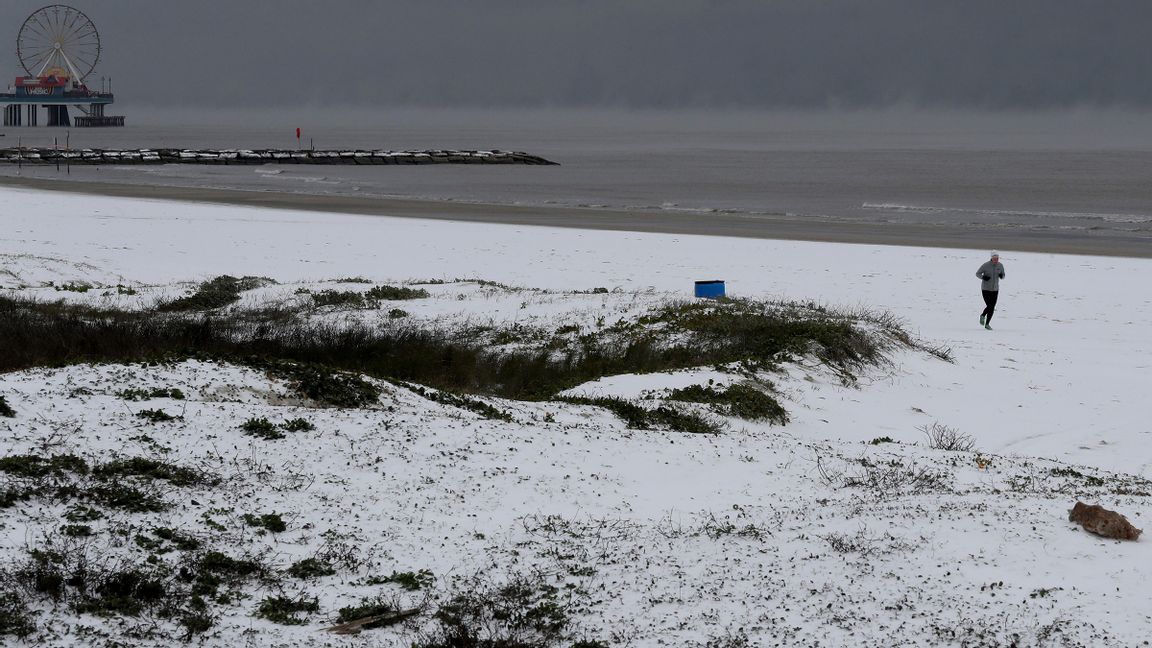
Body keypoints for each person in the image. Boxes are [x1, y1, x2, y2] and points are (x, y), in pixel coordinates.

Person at [976, 251, 1006, 330]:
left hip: (995, 289)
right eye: (995, 258)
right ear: (991, 258)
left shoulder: (1000, 265)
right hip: (985, 289)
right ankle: (982, 315)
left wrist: (1001, 275)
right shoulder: (985, 265)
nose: (996, 260)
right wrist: (983, 277)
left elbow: (1003, 275)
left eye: (997, 258)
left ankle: (987, 324)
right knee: (990, 305)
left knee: (992, 307)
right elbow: (977, 273)